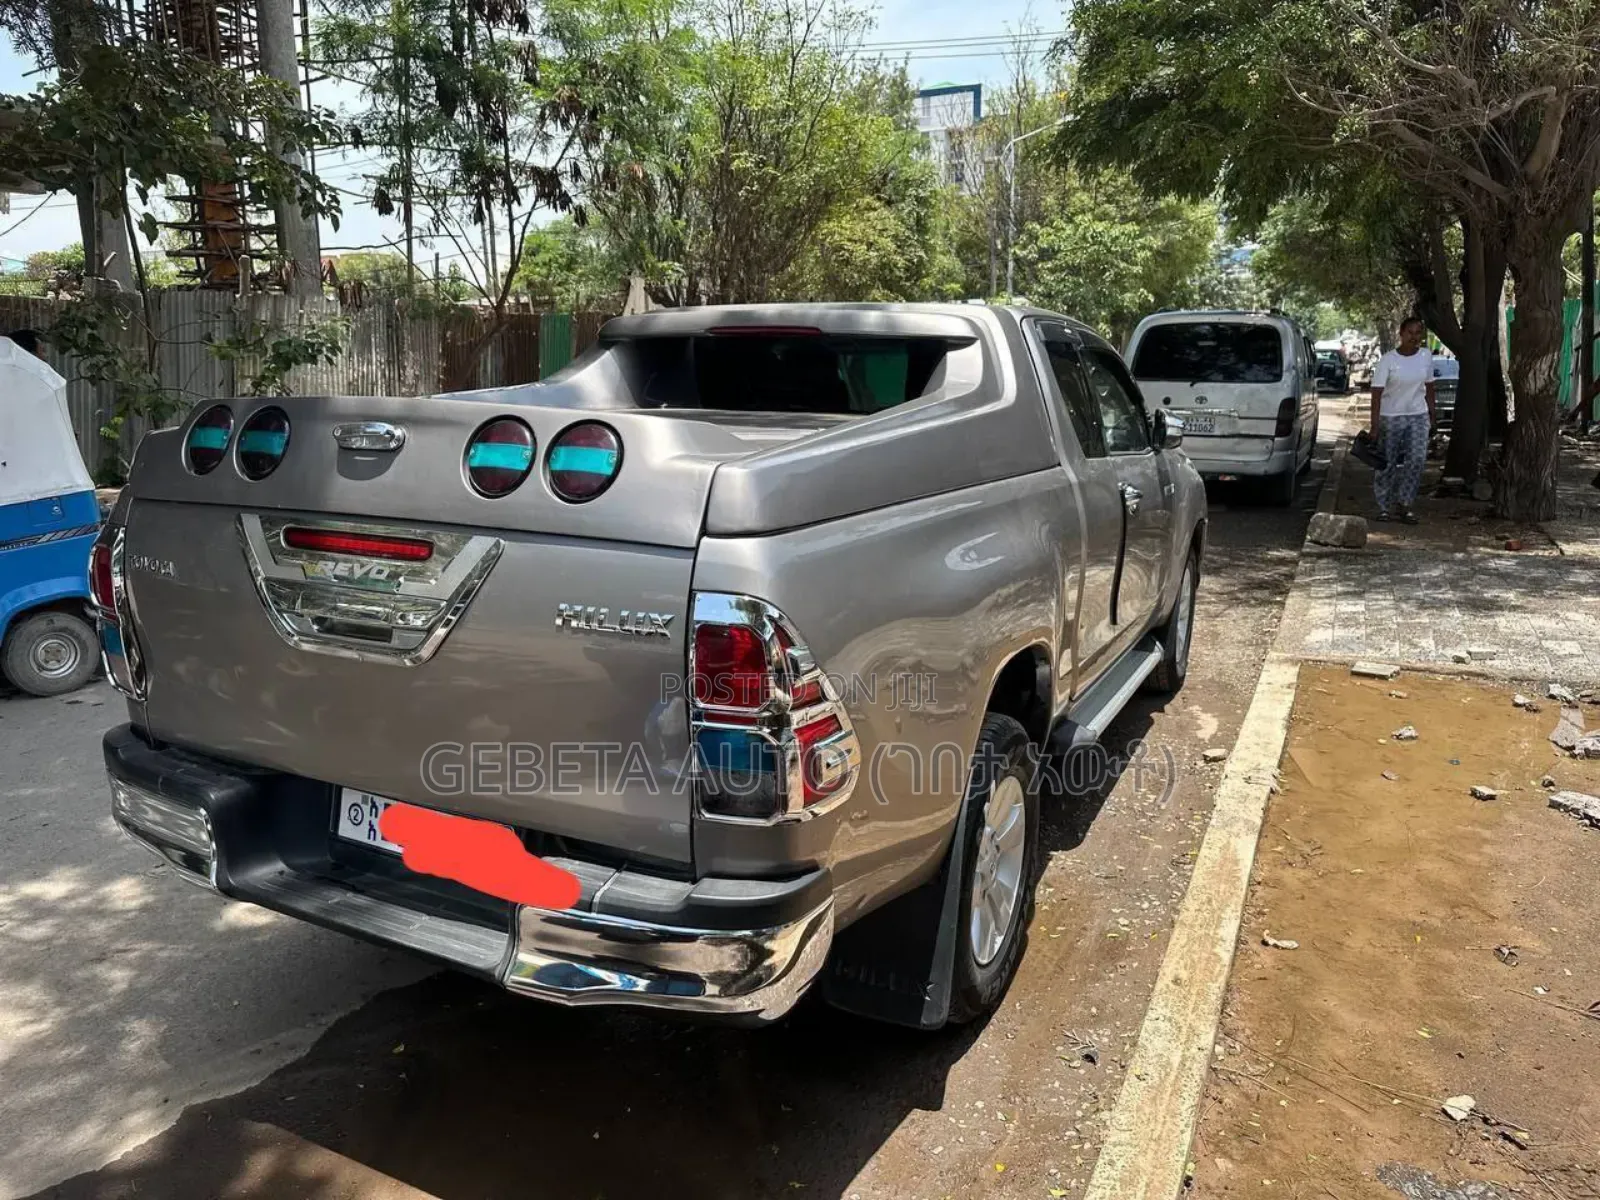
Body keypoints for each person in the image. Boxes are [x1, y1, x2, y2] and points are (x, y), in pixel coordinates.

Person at [1368, 317, 1435, 524]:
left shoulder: (1425, 356)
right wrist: (1375, 425)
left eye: (1418, 333)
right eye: (1410, 333)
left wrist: (1432, 414)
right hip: (1391, 416)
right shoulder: (1389, 360)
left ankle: (1405, 504)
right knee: (1387, 463)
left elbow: (1430, 386)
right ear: (1401, 334)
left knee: (1416, 460)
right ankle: (1384, 506)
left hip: (1418, 415)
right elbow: (1377, 393)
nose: (1414, 337)